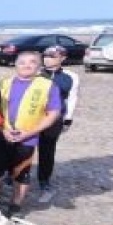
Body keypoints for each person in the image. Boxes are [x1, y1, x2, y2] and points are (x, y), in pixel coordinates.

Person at [0, 51, 61, 215]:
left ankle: (16, 205)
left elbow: (53, 113)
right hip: (1, 134)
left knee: (21, 173)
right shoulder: (4, 83)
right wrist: (2, 129)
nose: (27, 65)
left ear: (39, 66)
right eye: (22, 62)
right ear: (15, 65)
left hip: (28, 138)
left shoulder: (47, 85)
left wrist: (29, 133)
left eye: (32, 62)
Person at [37, 45, 80, 204]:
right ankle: (14, 176)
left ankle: (44, 180)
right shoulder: (36, 73)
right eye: (46, 55)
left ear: (63, 58)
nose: (47, 58)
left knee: (47, 151)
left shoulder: (71, 76)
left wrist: (68, 118)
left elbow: (72, 98)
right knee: (23, 148)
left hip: (54, 119)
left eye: (52, 56)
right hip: (32, 118)